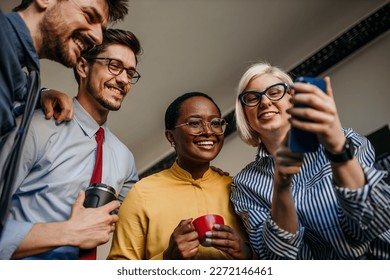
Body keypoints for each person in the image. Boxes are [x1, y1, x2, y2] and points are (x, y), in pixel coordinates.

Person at [0, 28, 141, 260]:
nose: (124, 79)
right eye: (114, 66)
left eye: (130, 73)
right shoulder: (38, 128)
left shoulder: (124, 158)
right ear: (83, 66)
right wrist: (67, 233)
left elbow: (142, 218)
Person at [230, 61, 390, 259]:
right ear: (245, 115)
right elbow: (277, 258)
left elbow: (375, 219)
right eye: (252, 98)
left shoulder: (347, 139)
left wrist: (338, 150)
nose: (264, 103)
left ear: (293, 99)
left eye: (274, 92)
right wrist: (281, 188)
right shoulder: (245, 184)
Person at [108, 92, 254, 260]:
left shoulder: (238, 188)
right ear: (171, 137)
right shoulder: (142, 193)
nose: (208, 131)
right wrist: (168, 258)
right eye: (194, 123)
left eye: (215, 123)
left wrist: (247, 253)